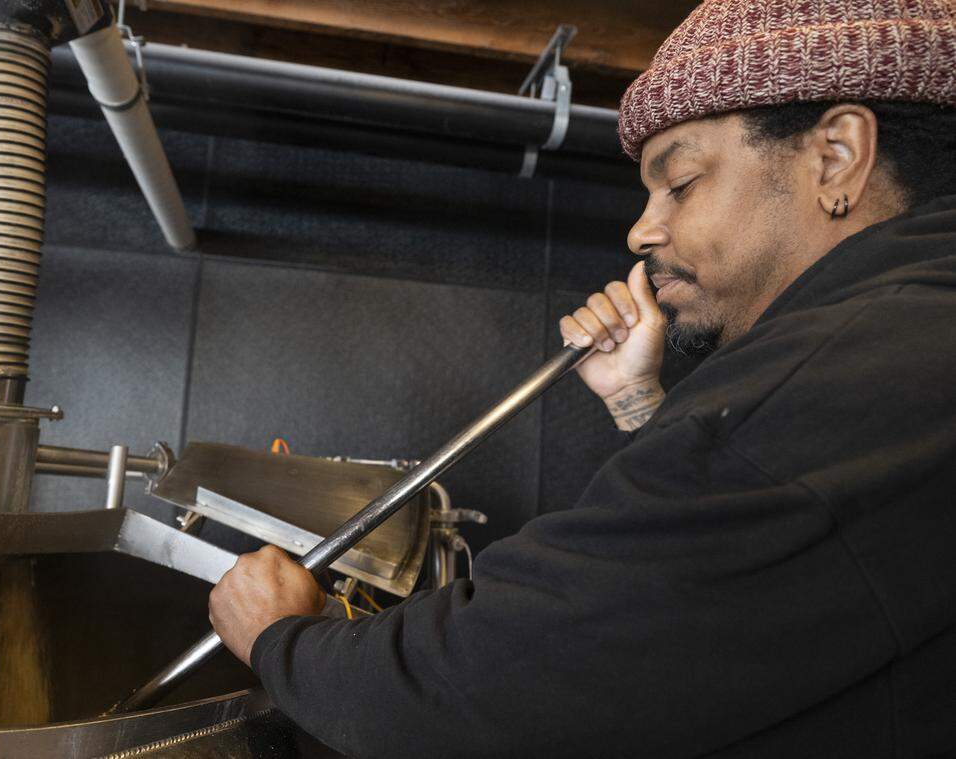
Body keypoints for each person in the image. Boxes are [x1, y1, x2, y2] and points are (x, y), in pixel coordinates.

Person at [208, 1, 956, 756]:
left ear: (836, 156)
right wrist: (641, 402)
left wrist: (284, 638)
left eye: (681, 182)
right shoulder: (906, 336)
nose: (641, 231)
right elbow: (743, 593)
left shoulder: (833, 371)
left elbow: (499, 684)